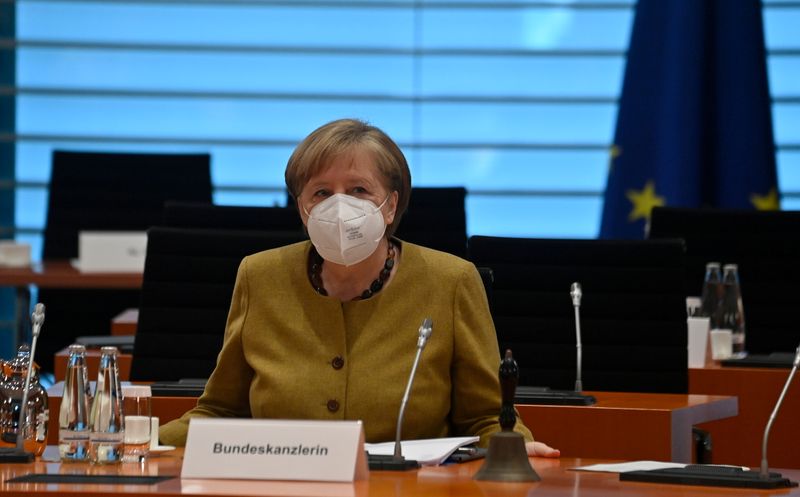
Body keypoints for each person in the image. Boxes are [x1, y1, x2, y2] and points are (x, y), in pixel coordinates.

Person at [159, 118, 559, 457]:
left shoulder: (450, 281)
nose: (339, 206)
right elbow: (221, 411)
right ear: (302, 207)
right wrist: (142, 442)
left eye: (358, 190)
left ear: (389, 205)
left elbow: (486, 416)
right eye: (321, 192)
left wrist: (513, 447)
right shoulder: (260, 275)